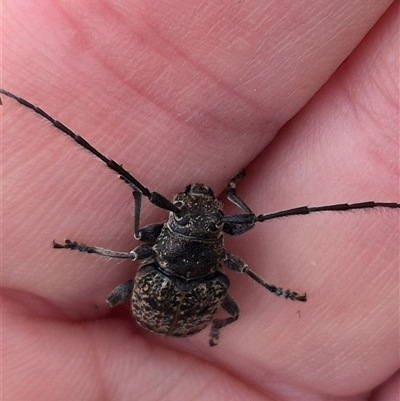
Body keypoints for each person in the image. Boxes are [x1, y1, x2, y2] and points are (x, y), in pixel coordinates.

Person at [2, 1, 399, 399]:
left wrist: (95, 235)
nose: (200, 213)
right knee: (232, 305)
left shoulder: (159, 248)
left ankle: (210, 323)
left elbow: (134, 243)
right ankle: (217, 326)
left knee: (130, 269)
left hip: (164, 310)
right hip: (178, 315)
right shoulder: (221, 263)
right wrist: (234, 194)